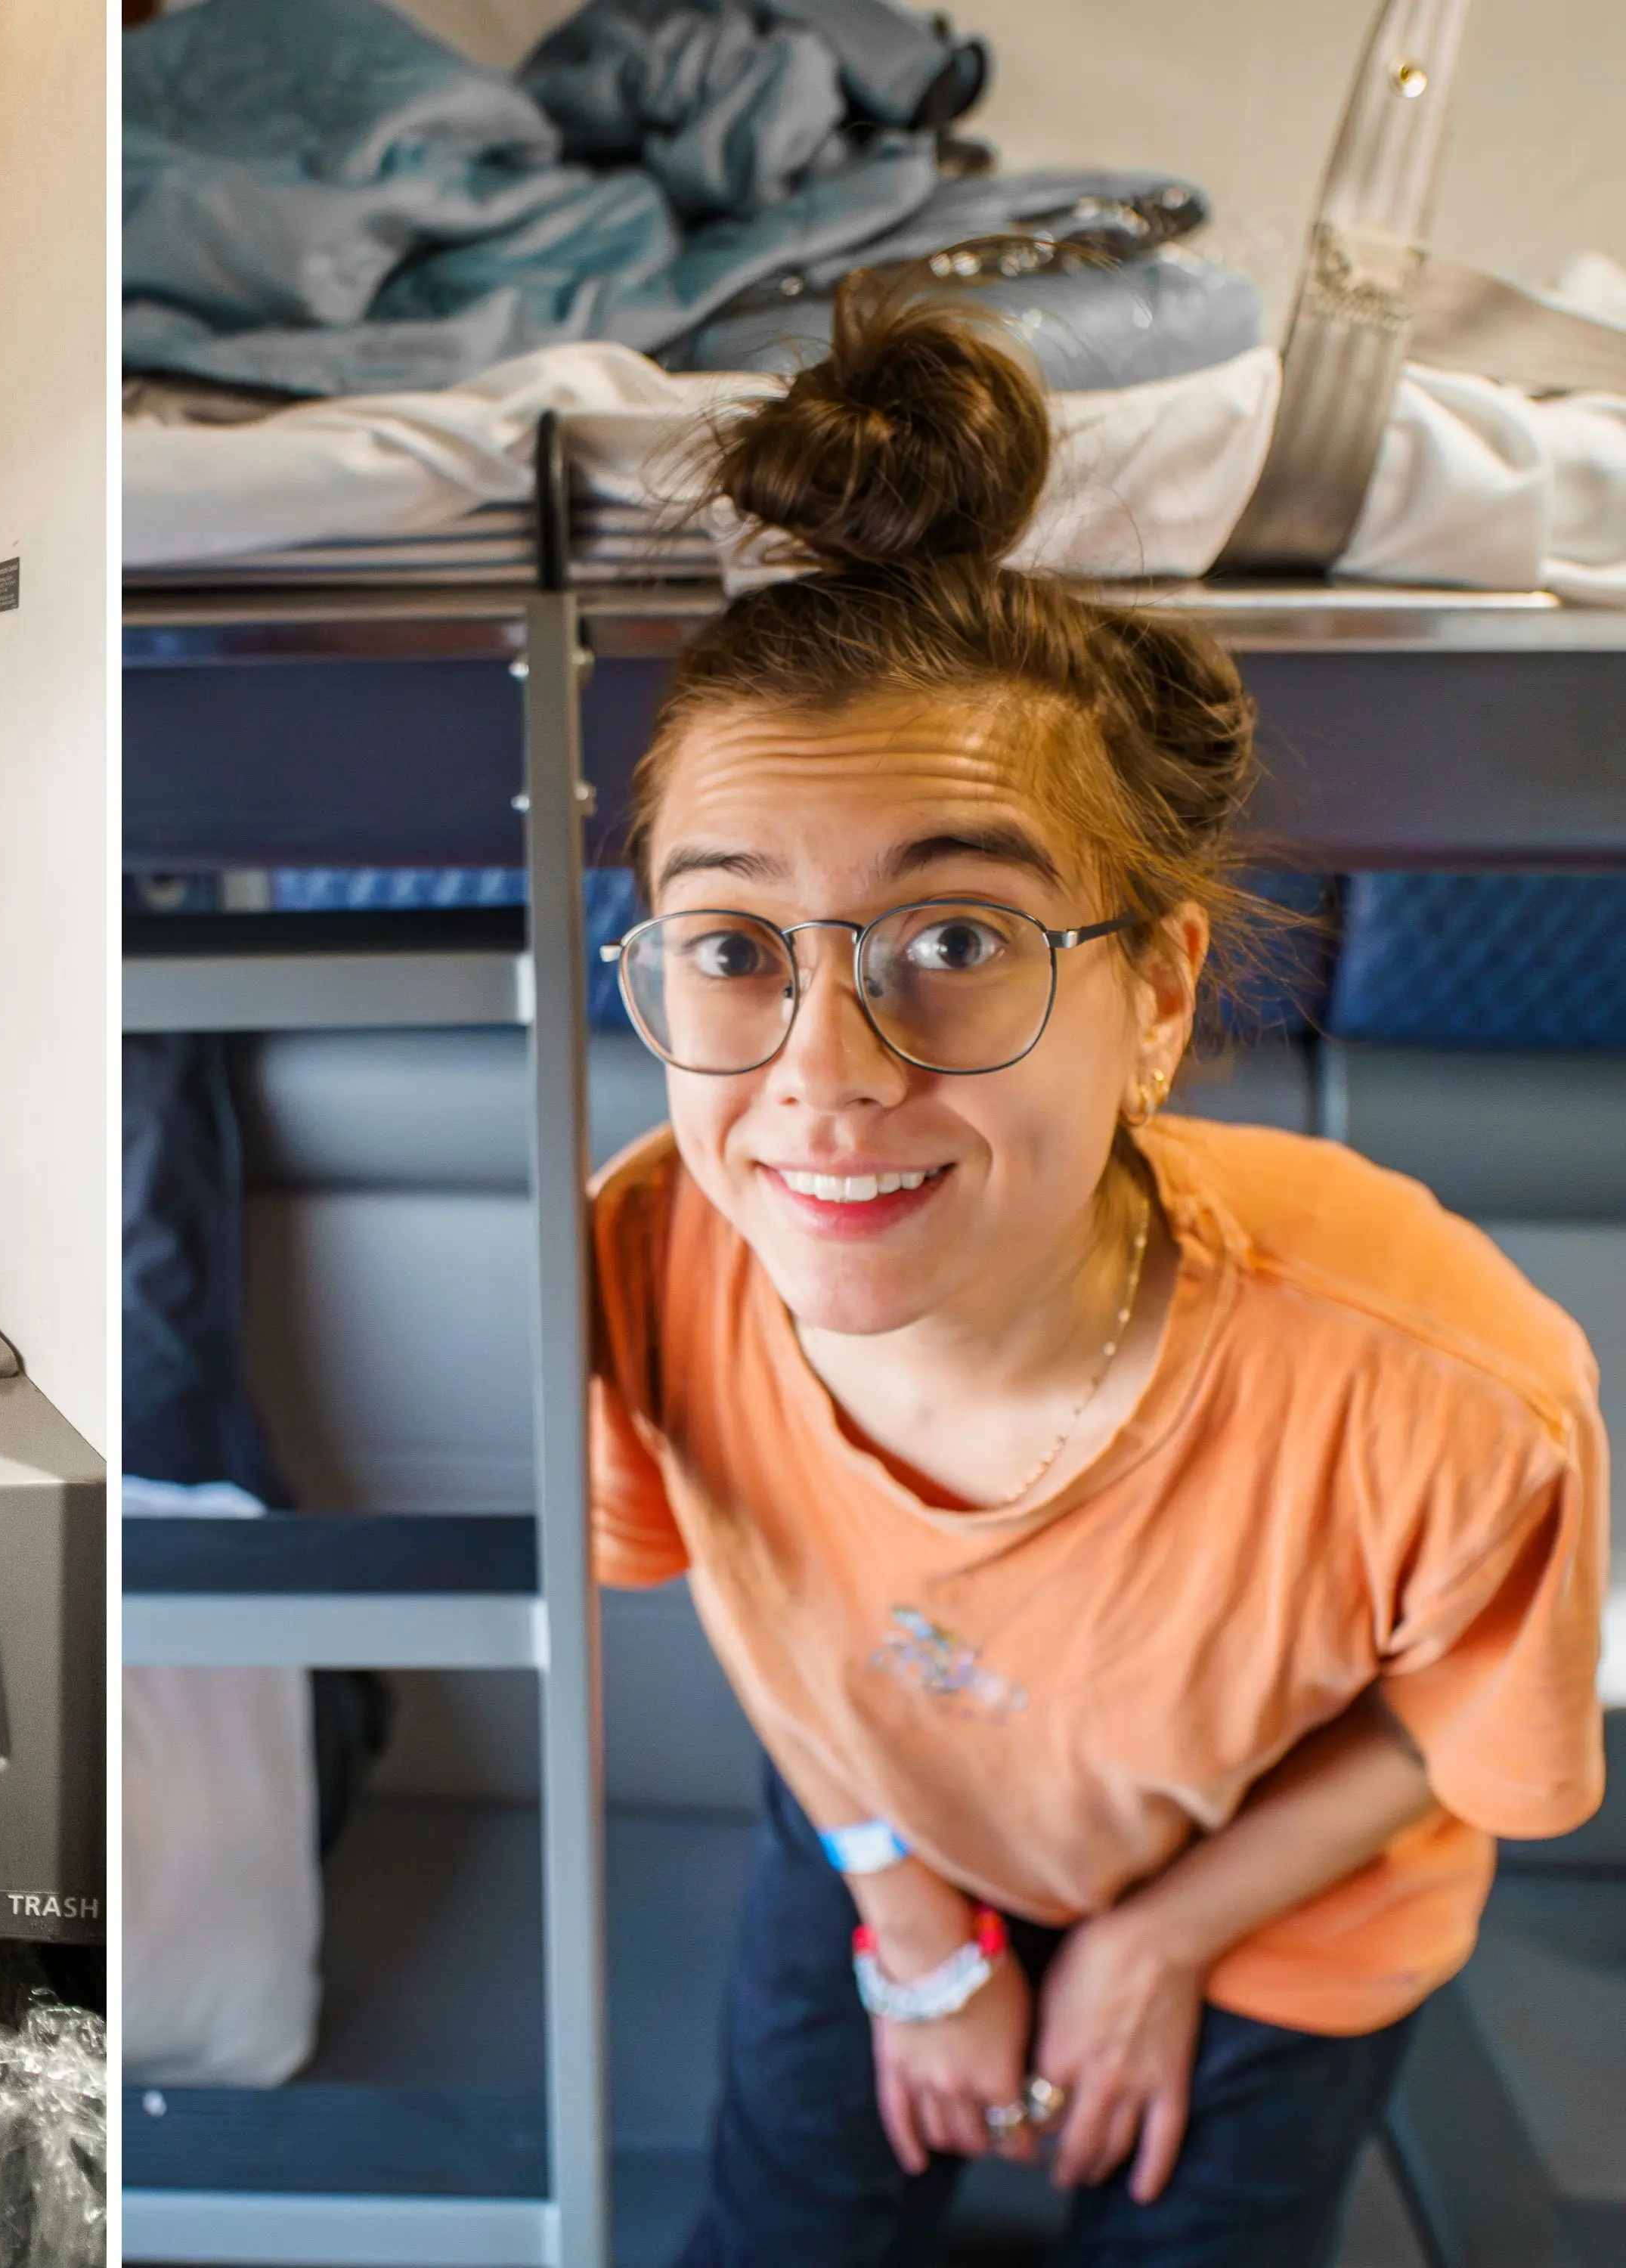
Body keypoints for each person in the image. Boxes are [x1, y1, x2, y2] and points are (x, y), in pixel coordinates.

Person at [587, 280, 1609, 2268]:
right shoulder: (662, 1242)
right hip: (886, 1814)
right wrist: (905, 1914)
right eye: (732, 949)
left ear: (1153, 997)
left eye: (952, 940)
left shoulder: (1448, 1384)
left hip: (1279, 1890)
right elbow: (759, 1588)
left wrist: (1153, 1941)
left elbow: (1454, 1734)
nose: (821, 1081)